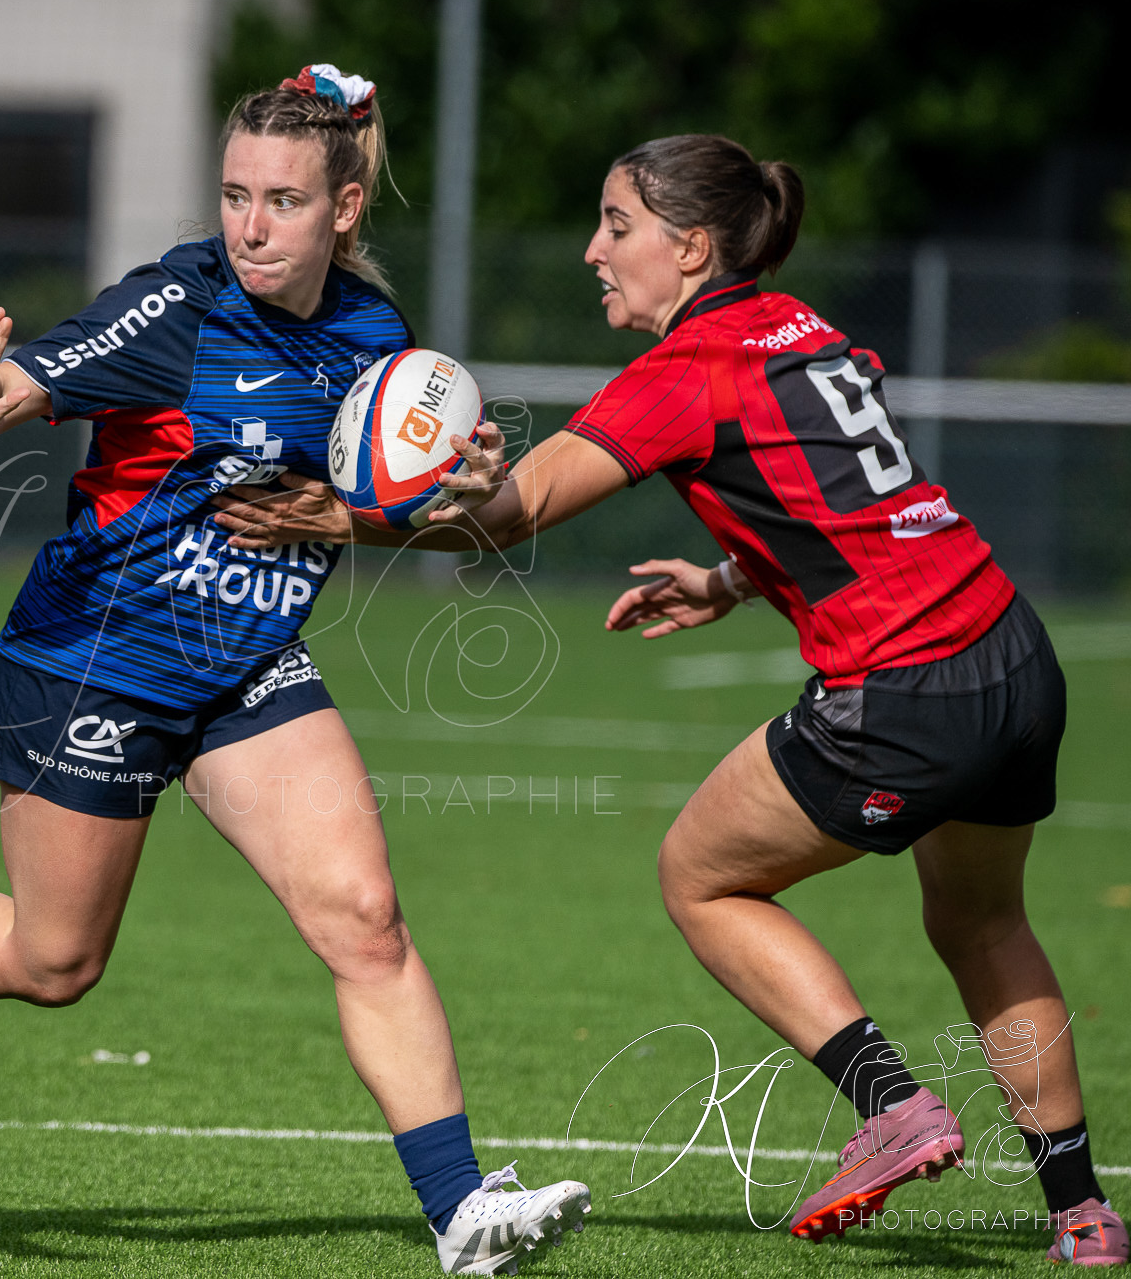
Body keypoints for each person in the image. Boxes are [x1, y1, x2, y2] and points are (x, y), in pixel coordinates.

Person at [211, 133, 1124, 1264]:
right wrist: (729, 577)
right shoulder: (798, 327)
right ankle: (1081, 1215)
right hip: (1010, 656)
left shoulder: (685, 370)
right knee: (982, 920)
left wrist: (346, 513)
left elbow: (512, 514)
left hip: (904, 687)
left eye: (616, 226)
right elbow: (852, 500)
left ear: (688, 248)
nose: (594, 251)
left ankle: (889, 1104)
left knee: (701, 877)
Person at [0, 64, 591, 1276]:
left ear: (345, 209)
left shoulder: (375, 339)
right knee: (54, 964)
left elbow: (380, 505)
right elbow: (10, 390)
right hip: (93, 664)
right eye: (232, 194)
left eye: (279, 199)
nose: (250, 225)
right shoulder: (178, 310)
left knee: (365, 921)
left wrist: (421, 499)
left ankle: (460, 1210)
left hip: (245, 667)